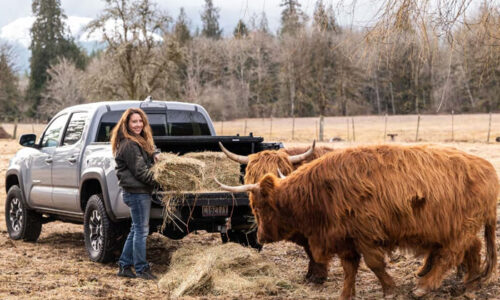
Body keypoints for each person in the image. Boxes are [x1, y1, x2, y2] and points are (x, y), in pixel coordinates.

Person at [110, 108, 160, 280]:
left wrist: (155, 154)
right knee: (141, 231)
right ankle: (141, 269)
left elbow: (148, 153)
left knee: (135, 230)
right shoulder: (129, 144)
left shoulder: (137, 141)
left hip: (137, 192)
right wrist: (161, 180)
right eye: (134, 121)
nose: (138, 124)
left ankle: (124, 265)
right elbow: (141, 172)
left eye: (140, 121)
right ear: (127, 124)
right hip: (137, 193)